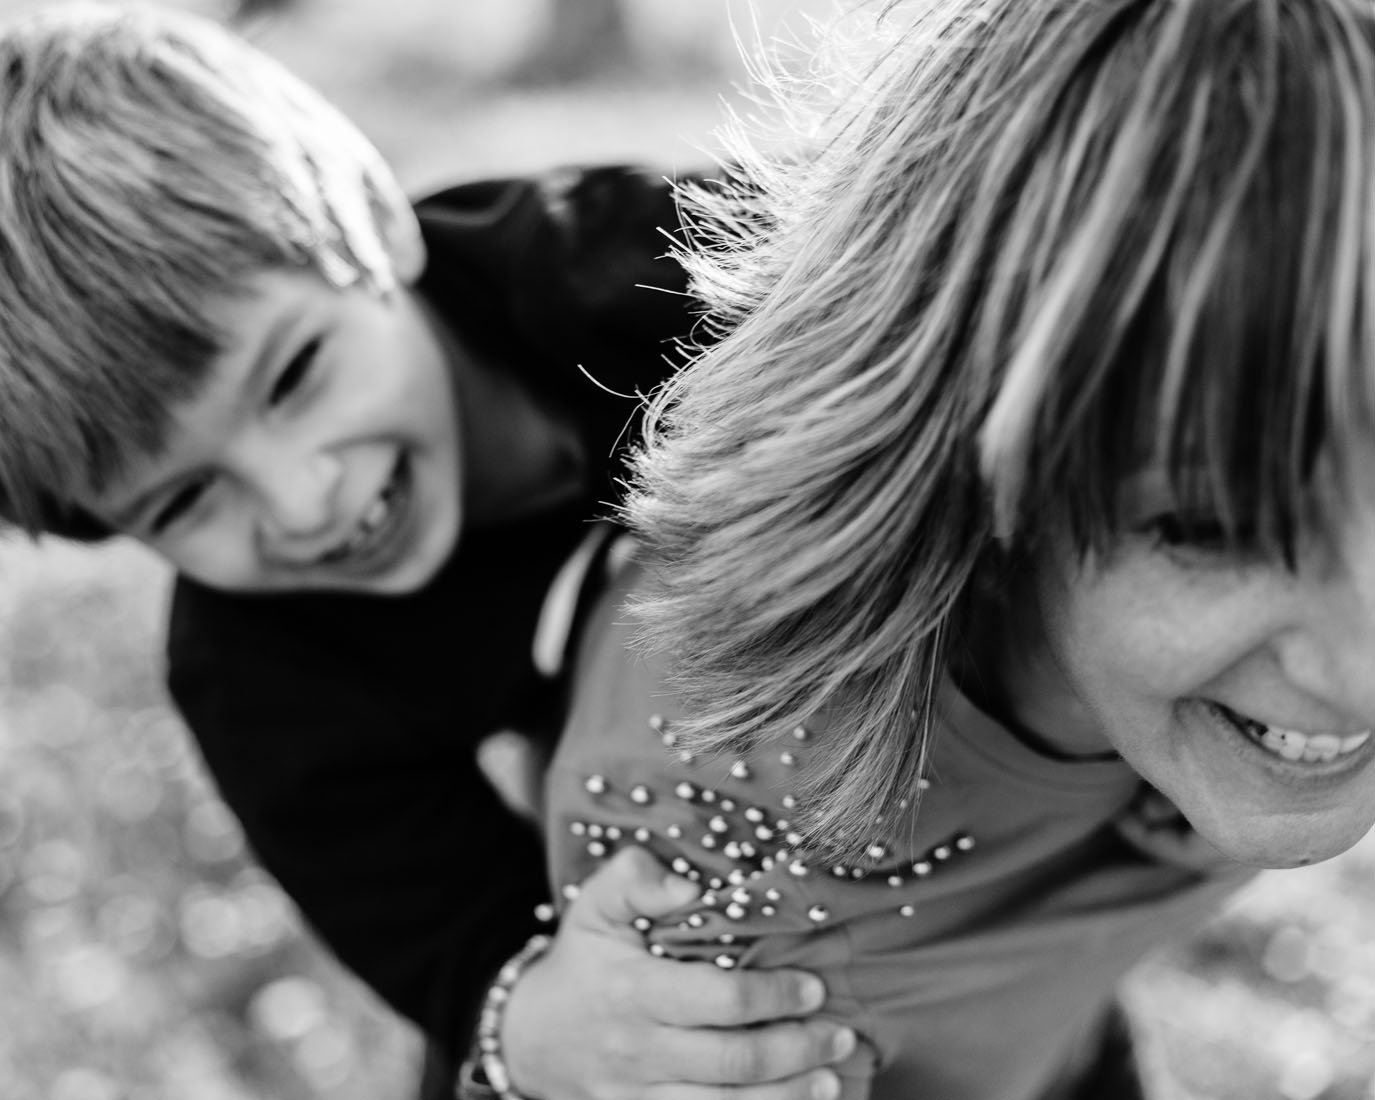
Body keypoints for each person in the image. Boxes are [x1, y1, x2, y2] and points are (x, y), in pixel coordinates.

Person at [0, 5, 858, 1099]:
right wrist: (549, 1022)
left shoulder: (655, 265)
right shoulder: (261, 675)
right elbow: (472, 963)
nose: (304, 498)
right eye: (184, 498)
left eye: (294, 374)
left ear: (375, 224)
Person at [541, 0, 1375, 1097]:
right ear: (971, 469)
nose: (1360, 662)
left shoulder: (1233, 688)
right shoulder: (721, 829)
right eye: (1208, 531)